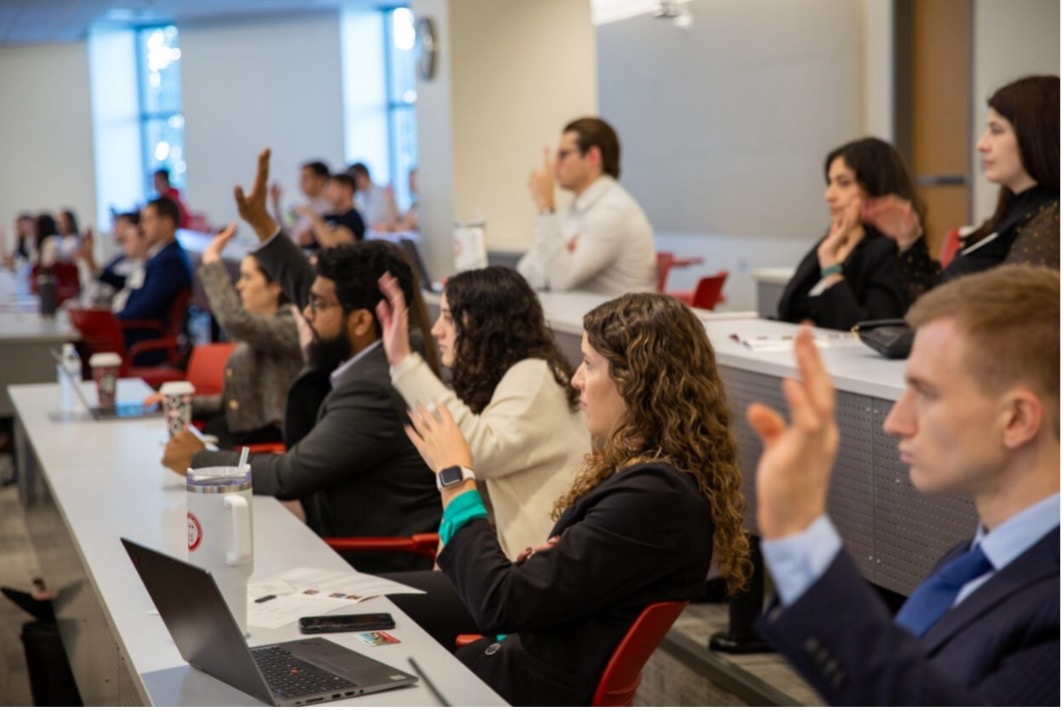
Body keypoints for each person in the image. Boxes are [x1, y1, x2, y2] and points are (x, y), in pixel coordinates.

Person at [402, 292, 752, 706]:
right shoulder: (654, 486)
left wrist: (455, 480)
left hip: (512, 688)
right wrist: (546, 562)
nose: (575, 379)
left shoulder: (656, 497)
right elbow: (548, 593)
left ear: (634, 378)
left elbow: (501, 603)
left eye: (589, 364)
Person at [750, 265, 1059, 706]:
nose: (896, 423)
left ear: (1018, 420)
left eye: (926, 393)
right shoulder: (968, 560)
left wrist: (800, 532)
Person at [162, 147, 440, 573]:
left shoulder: (377, 385)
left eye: (318, 307)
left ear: (362, 320)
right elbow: (314, 285)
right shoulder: (371, 347)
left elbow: (292, 474)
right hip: (329, 532)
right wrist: (262, 223)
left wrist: (202, 460)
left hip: (370, 562)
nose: (307, 313)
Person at [377, 265, 590, 559]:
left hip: (536, 578)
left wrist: (404, 363)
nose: (437, 329)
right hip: (518, 570)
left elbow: (472, 451)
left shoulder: (534, 375)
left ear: (486, 326)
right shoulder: (516, 376)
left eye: (449, 318)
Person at [865, 75, 1060, 297]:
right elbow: (938, 296)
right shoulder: (1014, 211)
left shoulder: (1051, 219)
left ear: (1036, 136)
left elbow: (1015, 316)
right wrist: (910, 241)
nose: (982, 144)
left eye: (996, 131)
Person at [149, 223, 302, 448]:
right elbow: (232, 403)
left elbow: (234, 319)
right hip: (242, 430)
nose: (239, 286)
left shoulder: (290, 325)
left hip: (267, 437)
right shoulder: (259, 327)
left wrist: (211, 259)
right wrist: (181, 404)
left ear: (276, 285)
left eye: (247, 278)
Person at [776, 137, 914, 330]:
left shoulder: (886, 251)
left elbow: (870, 330)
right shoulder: (831, 241)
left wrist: (831, 269)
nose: (829, 195)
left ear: (874, 187)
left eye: (843, 183)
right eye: (830, 183)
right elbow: (785, 309)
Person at [516, 117, 657, 296]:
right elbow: (527, 270)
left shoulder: (613, 210)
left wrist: (546, 207)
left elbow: (560, 279)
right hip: (586, 317)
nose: (555, 164)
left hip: (622, 321)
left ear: (592, 157)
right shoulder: (577, 207)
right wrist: (560, 255)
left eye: (563, 154)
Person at [116, 197, 193, 364]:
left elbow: (146, 308)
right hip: (137, 333)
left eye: (148, 220)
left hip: (145, 341)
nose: (142, 227)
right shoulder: (161, 256)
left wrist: (110, 320)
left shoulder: (170, 261)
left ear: (166, 223)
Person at [77, 212, 148, 308]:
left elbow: (114, 281)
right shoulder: (120, 258)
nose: (115, 228)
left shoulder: (143, 266)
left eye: (129, 239)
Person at [270, 159, 331, 249]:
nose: (300, 183)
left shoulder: (330, 208)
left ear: (320, 180)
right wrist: (275, 205)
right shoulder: (299, 208)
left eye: (305, 179)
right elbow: (284, 229)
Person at [296, 173, 365, 248]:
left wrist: (312, 216)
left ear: (347, 190)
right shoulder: (328, 217)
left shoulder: (353, 219)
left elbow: (332, 244)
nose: (328, 194)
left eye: (332, 189)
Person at [348, 162, 398, 230]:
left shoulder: (382, 192)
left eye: (354, 179)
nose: (353, 184)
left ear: (363, 176)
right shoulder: (359, 196)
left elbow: (373, 220)